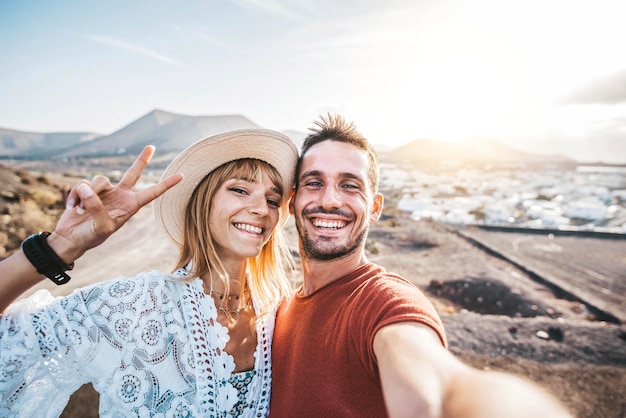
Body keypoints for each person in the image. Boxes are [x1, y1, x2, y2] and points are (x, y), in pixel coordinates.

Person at [269, 114, 573, 418]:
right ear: (293, 200)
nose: (331, 200)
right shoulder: (280, 312)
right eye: (314, 182)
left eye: (350, 185)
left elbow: (442, 390)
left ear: (374, 208)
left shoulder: (382, 303)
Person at [0, 129, 299, 417]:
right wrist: (58, 248)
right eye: (240, 190)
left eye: (273, 200)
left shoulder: (280, 316)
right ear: (203, 200)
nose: (261, 208)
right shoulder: (133, 307)